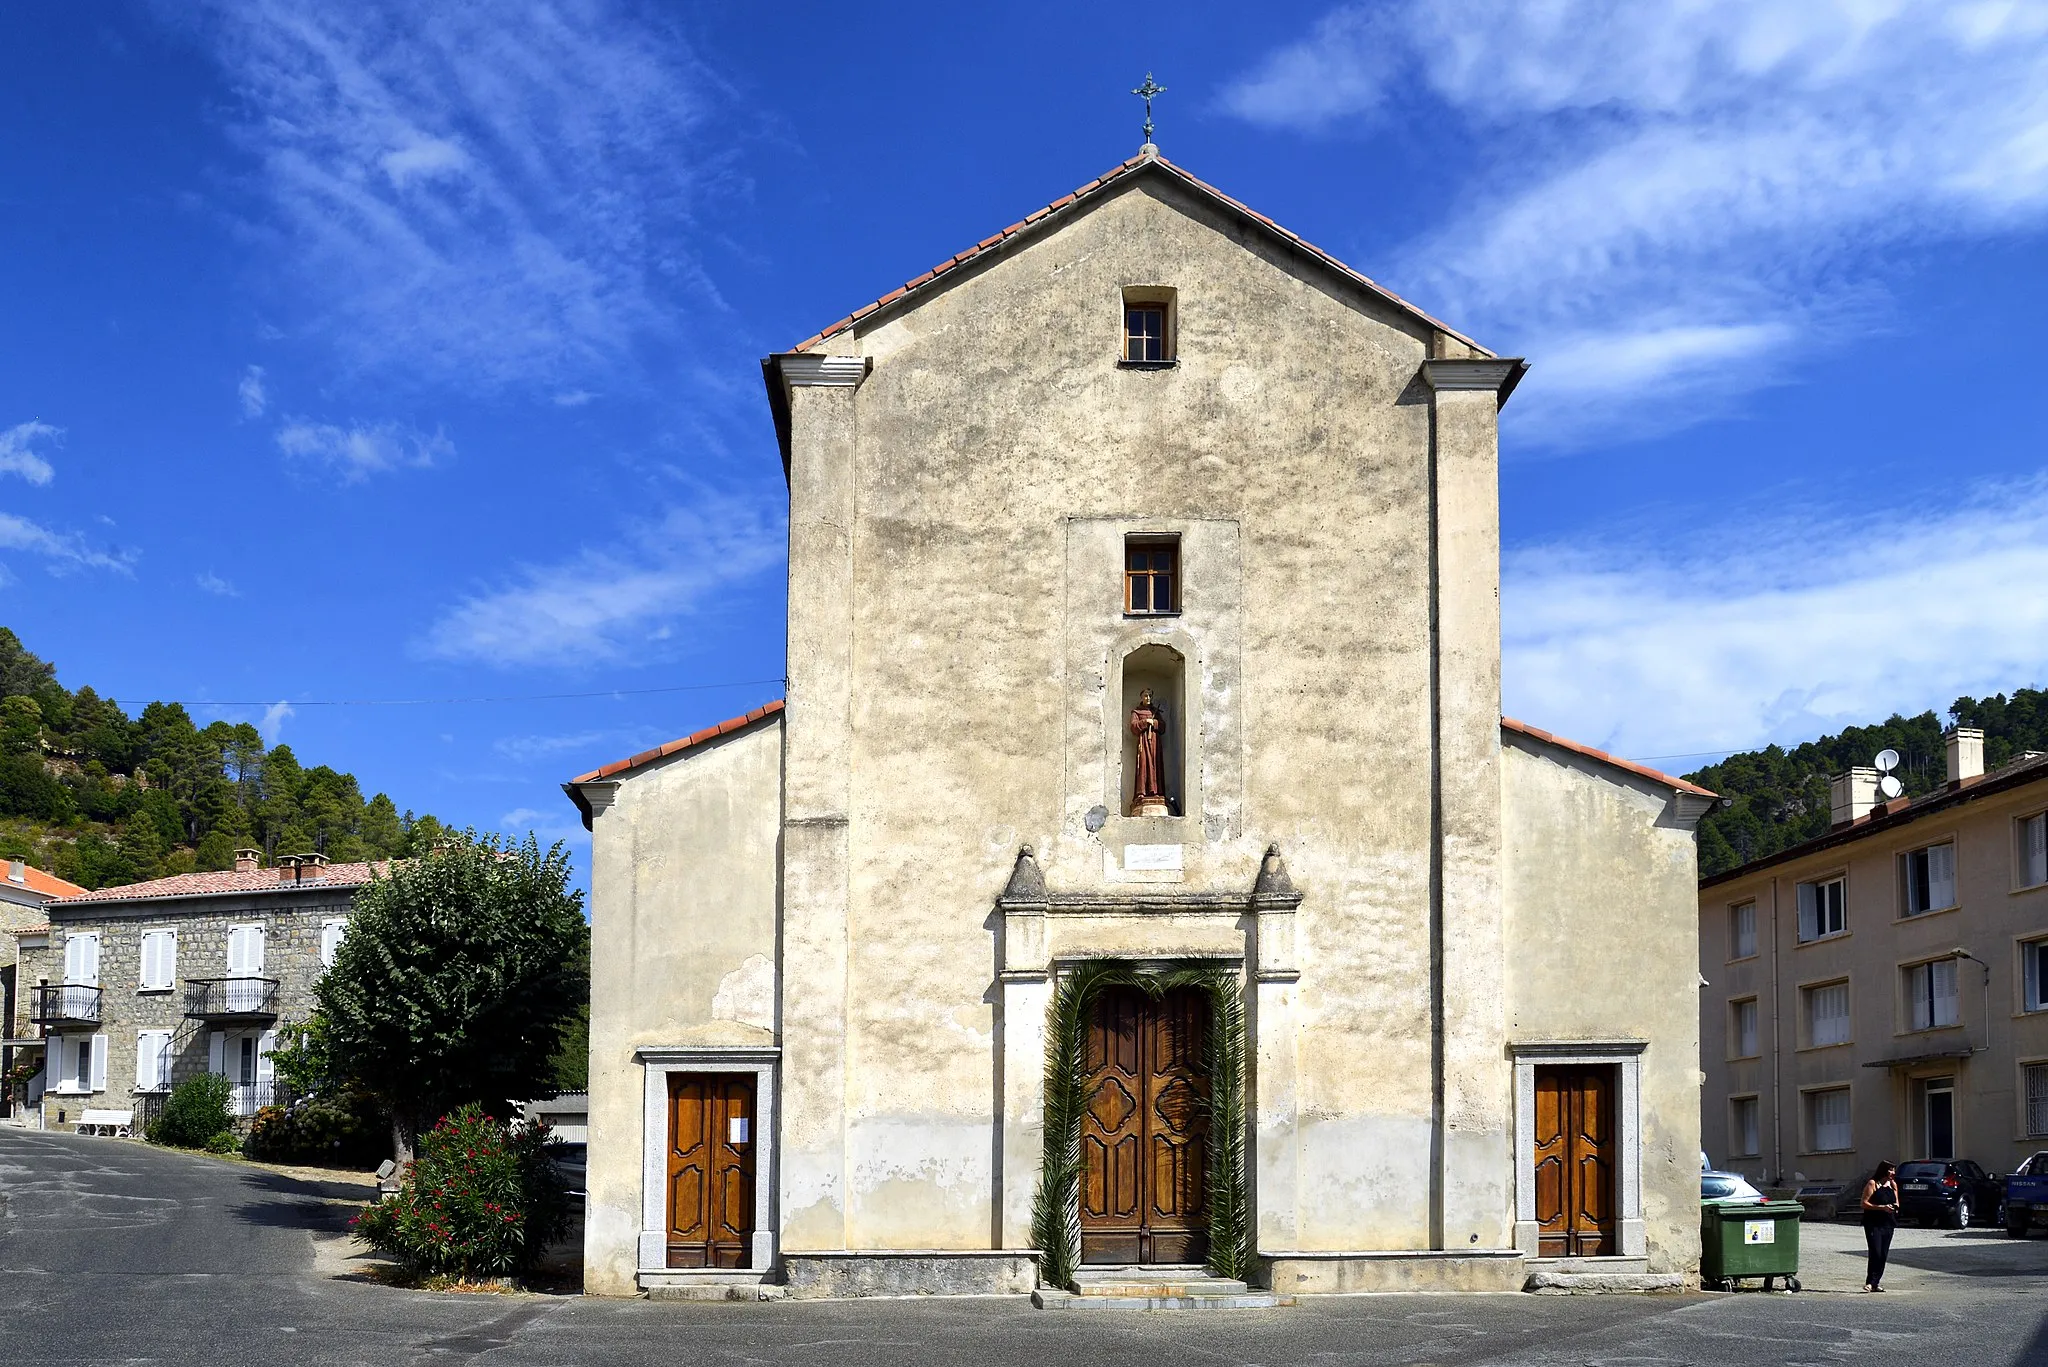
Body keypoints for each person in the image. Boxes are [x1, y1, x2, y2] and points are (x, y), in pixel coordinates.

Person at [1860, 1161, 1900, 1292]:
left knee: (1883, 1254)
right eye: (1890, 1170)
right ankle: (1870, 1282)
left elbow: (1897, 1203)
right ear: (1883, 1171)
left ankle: (1876, 1283)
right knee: (1875, 1252)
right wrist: (1881, 1208)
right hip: (1873, 1223)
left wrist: (1894, 1208)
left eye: (1894, 1170)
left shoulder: (1893, 1185)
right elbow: (1864, 1204)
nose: (1893, 1173)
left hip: (1888, 1223)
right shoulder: (1873, 1184)